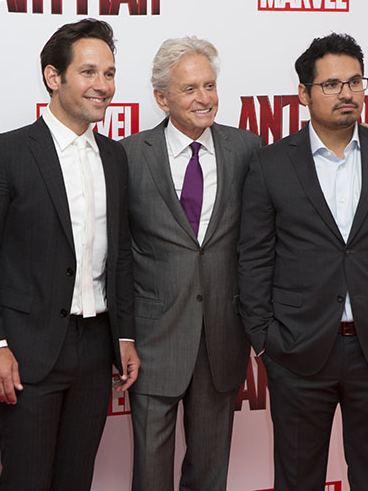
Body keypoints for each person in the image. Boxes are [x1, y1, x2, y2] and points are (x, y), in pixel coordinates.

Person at [237, 32, 368, 490]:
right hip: (298, 353)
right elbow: (254, 258)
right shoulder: (270, 164)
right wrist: (265, 340)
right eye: (331, 84)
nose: (346, 93)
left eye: (354, 81)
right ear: (303, 93)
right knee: (297, 480)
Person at [0, 18, 139, 491]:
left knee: (76, 480)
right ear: (53, 77)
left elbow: (120, 254)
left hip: (95, 349)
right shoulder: (6, 152)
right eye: (88, 72)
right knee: (25, 481)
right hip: (26, 351)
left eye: (109, 73)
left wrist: (125, 335)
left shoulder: (115, 156)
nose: (103, 85)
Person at [120, 36, 262, 491]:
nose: (204, 98)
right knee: (150, 474)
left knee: (210, 473)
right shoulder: (128, 155)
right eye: (189, 89)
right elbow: (118, 253)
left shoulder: (248, 150)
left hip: (222, 337)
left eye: (210, 85)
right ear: (162, 98)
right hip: (153, 340)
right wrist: (123, 334)